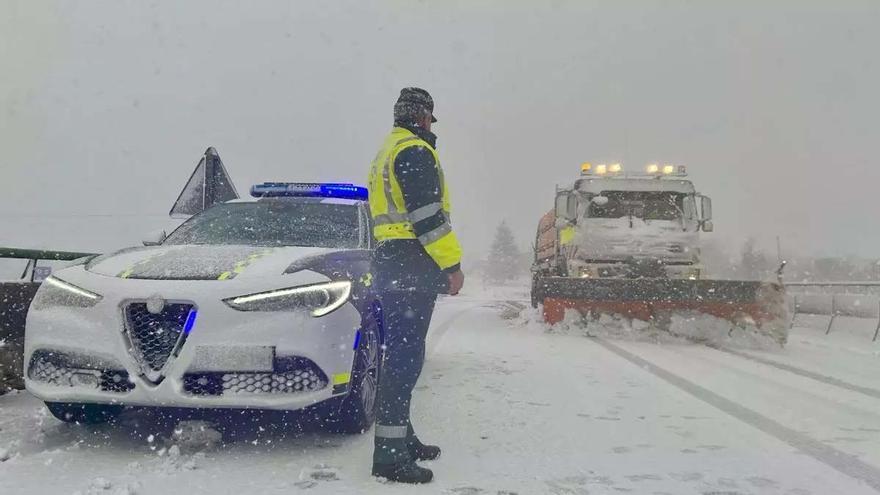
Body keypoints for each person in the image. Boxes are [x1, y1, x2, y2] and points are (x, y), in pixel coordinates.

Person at [366, 87, 465, 483]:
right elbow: (428, 218)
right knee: (405, 361)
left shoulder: (387, 151)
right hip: (411, 264)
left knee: (401, 356)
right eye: (429, 118)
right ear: (423, 117)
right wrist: (452, 265)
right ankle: (389, 457)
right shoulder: (414, 152)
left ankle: (402, 438)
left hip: (393, 263)